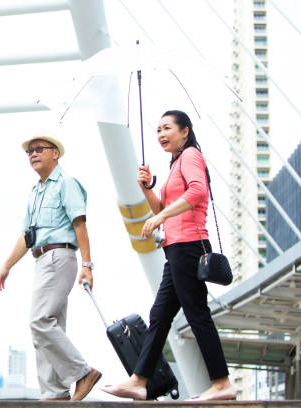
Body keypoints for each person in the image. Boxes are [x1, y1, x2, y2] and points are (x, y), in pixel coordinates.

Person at [101, 111, 236, 401]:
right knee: (159, 315)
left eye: (167, 128)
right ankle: (139, 380)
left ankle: (222, 383)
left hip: (189, 246)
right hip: (175, 248)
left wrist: (160, 215)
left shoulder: (190, 156)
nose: (161, 134)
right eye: (158, 129)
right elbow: (162, 207)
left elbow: (198, 193)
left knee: (196, 314)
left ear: (185, 131)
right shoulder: (176, 163)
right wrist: (146, 188)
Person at [0, 130, 101, 401]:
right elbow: (26, 236)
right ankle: (54, 391)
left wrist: (87, 265)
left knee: (39, 321)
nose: (33, 154)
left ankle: (82, 372)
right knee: (49, 326)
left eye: (39, 149)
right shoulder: (35, 192)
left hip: (59, 256)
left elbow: (80, 224)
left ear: (55, 153)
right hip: (41, 259)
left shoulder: (66, 183)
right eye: (30, 151)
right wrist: (6, 265)